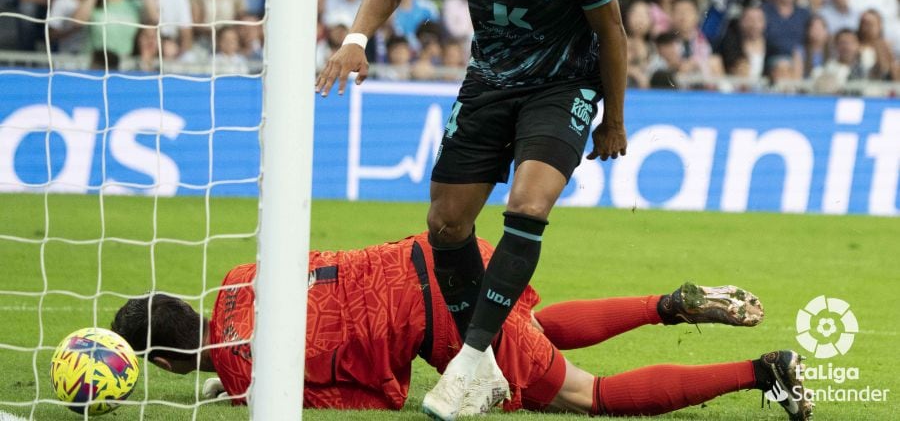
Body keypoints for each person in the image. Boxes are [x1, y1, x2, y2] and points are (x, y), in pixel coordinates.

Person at [316, 0, 628, 420]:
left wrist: (614, 117)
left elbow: (612, 35)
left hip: (562, 86)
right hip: (489, 83)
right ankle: (482, 373)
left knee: (528, 206)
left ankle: (469, 359)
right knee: (446, 223)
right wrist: (355, 42)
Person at [110, 232, 811, 420]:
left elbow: (372, 393)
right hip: (437, 252)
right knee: (527, 323)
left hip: (441, 320)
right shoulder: (240, 275)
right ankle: (668, 301)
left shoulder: (248, 380)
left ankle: (762, 372)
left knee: (584, 395)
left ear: (167, 364)